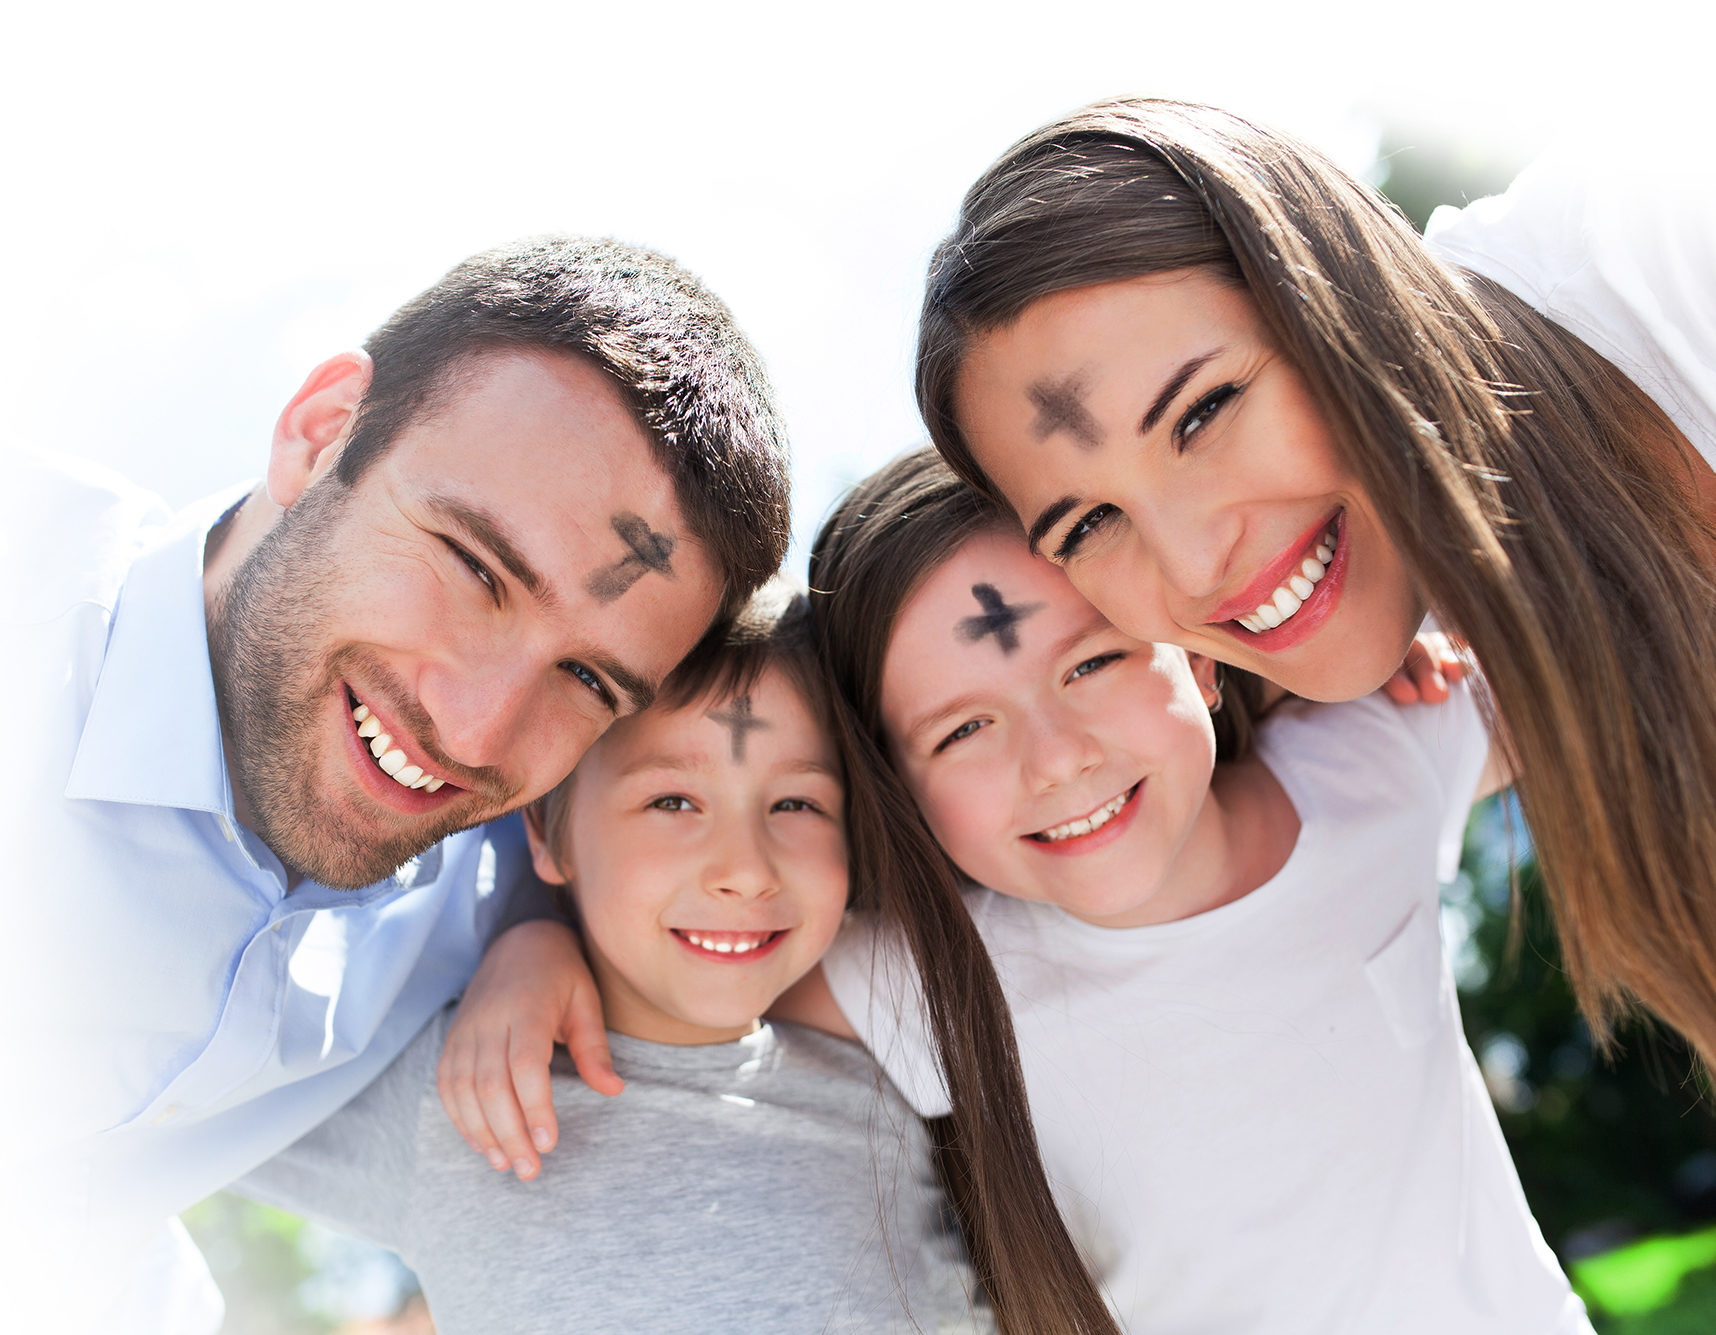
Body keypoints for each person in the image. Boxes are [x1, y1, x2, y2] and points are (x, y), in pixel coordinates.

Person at [0, 235, 792, 1334]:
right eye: (474, 568)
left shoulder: (474, 891)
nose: (474, 727)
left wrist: (533, 928)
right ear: (323, 433)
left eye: (584, 679)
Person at [914, 97, 1716, 1076]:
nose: (1194, 565)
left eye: (1203, 412)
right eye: (1089, 523)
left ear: (1333, 284)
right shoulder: (1473, 651)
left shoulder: (1668, 232)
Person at [796, 448, 1591, 1332]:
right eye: (965, 728)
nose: (1059, 757)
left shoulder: (1368, 756)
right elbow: (676, 995)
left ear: (1200, 654)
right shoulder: (932, 976)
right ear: (902, 791)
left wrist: (1374, 622)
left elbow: (1618, 630)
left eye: (1092, 663)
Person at [236, 590, 1001, 1334]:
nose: (746, 867)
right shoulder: (458, 1091)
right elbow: (152, 1086)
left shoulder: (896, 1051)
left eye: (796, 804)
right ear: (543, 832)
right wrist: (523, 927)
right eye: (672, 802)